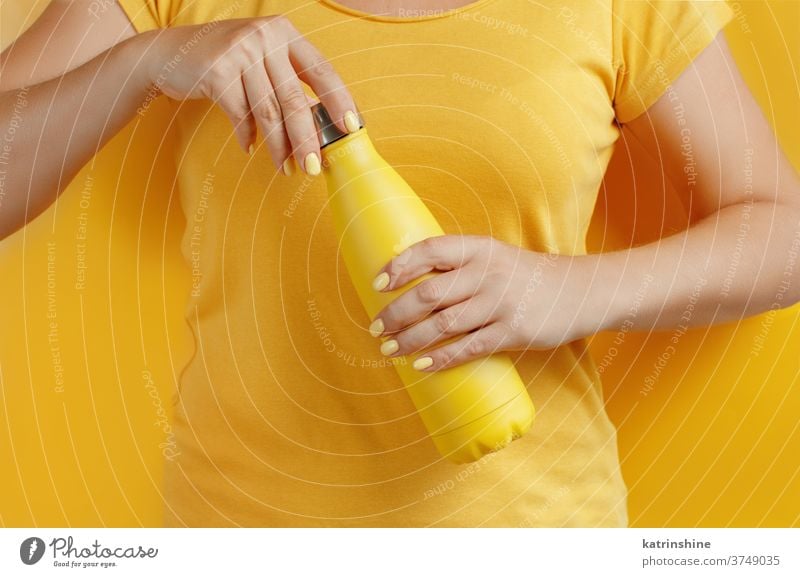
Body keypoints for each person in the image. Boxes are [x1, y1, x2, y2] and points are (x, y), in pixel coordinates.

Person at [1, 0, 798, 527]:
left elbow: (782, 232)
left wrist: (573, 289)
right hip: (243, 528)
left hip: (532, 532)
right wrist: (147, 59)